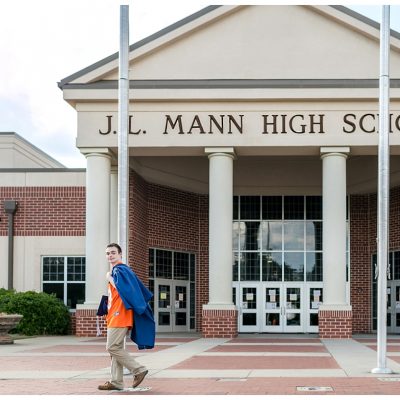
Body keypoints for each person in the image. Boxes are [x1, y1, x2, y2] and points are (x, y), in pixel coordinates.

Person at [98, 243, 155, 391]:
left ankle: (139, 369)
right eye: (107, 253)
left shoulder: (120, 270)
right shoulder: (120, 270)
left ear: (120, 254)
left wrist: (109, 277)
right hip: (114, 315)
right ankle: (116, 382)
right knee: (116, 348)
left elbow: (121, 288)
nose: (110, 256)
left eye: (113, 253)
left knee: (112, 347)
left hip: (120, 315)